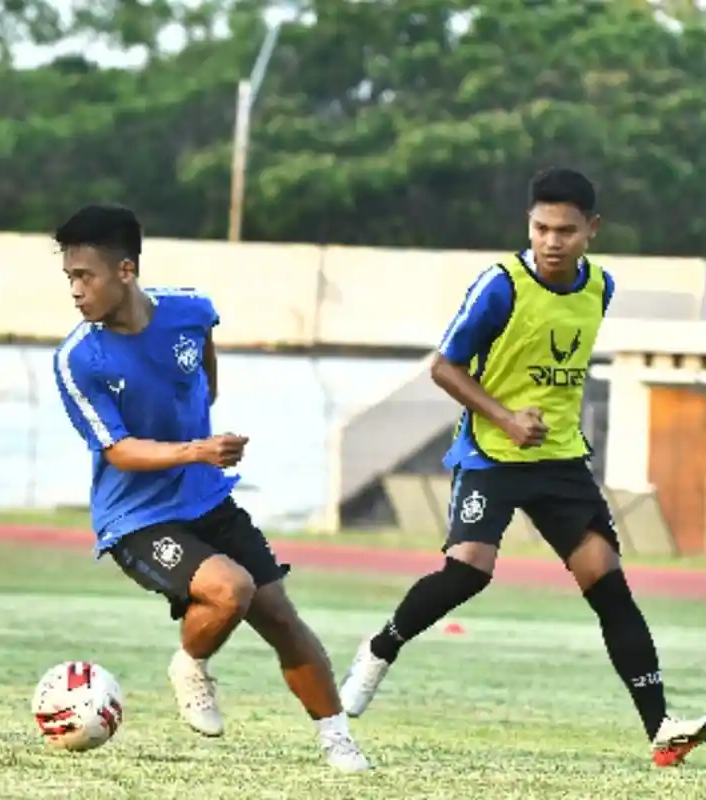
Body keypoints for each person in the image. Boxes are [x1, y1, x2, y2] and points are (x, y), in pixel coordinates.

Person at [338, 168, 705, 767]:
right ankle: (379, 649)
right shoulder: (500, 285)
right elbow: (444, 366)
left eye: (566, 231)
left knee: (608, 584)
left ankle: (662, 730)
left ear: (592, 229)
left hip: (560, 460)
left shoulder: (601, 287)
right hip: (493, 453)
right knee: (468, 572)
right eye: (541, 229)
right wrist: (506, 418)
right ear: (528, 225)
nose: (552, 242)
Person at [51, 204, 370, 772]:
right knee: (231, 590)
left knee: (280, 616)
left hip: (207, 499)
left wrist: (201, 447)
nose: (75, 290)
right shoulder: (80, 359)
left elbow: (204, 375)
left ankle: (338, 740)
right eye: (69, 277)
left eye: (85, 276)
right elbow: (118, 450)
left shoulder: (191, 311)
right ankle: (189, 663)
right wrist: (196, 450)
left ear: (126, 270)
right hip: (138, 519)